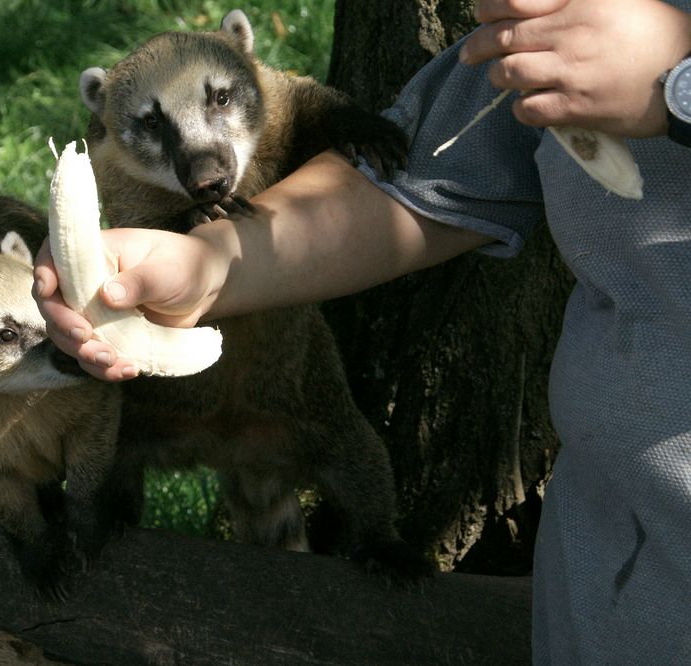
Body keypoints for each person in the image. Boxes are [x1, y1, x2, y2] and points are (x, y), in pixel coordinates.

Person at [34, 0, 691, 662]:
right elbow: (428, 177)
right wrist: (204, 263)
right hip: (611, 585)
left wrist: (681, 82)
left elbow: (312, 109)